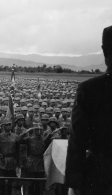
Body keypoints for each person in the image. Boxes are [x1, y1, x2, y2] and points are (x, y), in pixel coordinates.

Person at [65, 25, 112, 195]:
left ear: (104, 51)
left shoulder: (89, 90)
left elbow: (77, 141)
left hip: (100, 177)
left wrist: (74, 182)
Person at [17, 123, 46, 195]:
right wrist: (26, 132)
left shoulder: (45, 140)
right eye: (37, 130)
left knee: (39, 184)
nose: (38, 132)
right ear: (34, 131)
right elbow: (18, 140)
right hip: (31, 164)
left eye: (40, 130)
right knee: (31, 184)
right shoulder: (29, 139)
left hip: (41, 164)